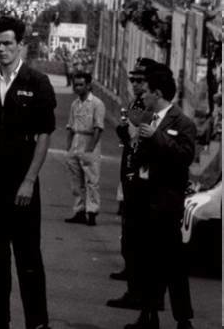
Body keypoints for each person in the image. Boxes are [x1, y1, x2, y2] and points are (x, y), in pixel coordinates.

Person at [0, 15, 56, 329]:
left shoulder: (37, 83)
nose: (2, 49)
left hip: (21, 184)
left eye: (8, 43)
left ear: (21, 44)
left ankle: (37, 323)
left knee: (27, 258)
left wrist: (30, 180)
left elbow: (45, 135)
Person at [123, 63, 196, 329]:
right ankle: (148, 315)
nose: (141, 96)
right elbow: (139, 156)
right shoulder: (147, 119)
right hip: (145, 200)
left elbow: (184, 156)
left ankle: (183, 319)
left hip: (167, 203)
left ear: (158, 93)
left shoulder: (182, 122)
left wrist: (157, 137)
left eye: (147, 92)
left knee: (173, 264)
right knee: (147, 263)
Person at [108, 58, 156, 305]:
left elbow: (134, 135)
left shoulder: (148, 106)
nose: (136, 85)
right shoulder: (135, 102)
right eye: (133, 80)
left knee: (135, 234)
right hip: (129, 169)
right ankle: (131, 276)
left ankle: (136, 290)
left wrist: (125, 129)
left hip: (140, 175)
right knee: (128, 230)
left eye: (140, 81)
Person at [63, 71, 105, 225]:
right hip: (76, 140)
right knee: (76, 180)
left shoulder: (97, 104)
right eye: (75, 85)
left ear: (88, 85)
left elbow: (98, 127)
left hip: (89, 141)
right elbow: (70, 125)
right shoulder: (75, 104)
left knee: (92, 179)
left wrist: (91, 148)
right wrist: (68, 148)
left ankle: (92, 211)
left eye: (81, 85)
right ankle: (79, 211)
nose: (78, 88)